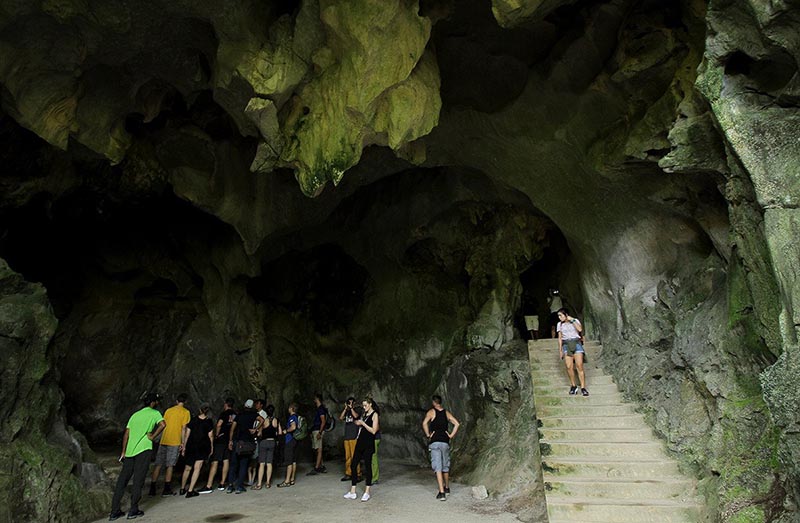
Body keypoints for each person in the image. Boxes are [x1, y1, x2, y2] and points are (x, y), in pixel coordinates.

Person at [108, 393, 165, 521]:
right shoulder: (155, 413)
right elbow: (163, 424)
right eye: (156, 401)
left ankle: (114, 512)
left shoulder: (135, 415)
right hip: (144, 449)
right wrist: (153, 436)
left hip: (129, 451)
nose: (157, 403)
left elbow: (126, 434)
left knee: (122, 481)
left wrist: (123, 451)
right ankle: (133, 510)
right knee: (138, 480)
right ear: (153, 403)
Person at [150, 393, 190, 497]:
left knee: (158, 464)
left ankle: (152, 488)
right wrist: (183, 442)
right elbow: (184, 428)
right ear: (185, 402)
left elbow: (163, 424)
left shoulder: (169, 410)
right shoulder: (185, 412)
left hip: (164, 440)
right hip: (175, 441)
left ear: (177, 401)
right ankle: (166, 488)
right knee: (170, 465)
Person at [422, 395, 460, 501]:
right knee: (445, 466)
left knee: (438, 467)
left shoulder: (431, 412)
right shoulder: (446, 413)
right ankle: (447, 487)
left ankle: (441, 492)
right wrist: (451, 435)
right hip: (445, 442)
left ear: (434, 403)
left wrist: (428, 434)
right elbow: (457, 423)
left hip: (435, 442)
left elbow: (424, 423)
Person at [343, 397, 379, 502]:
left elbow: (373, 431)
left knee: (368, 466)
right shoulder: (364, 414)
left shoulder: (375, 415)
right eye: (363, 405)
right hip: (360, 442)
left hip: (369, 442)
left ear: (370, 404)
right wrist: (359, 423)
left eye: (365, 405)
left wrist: (363, 424)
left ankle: (367, 491)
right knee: (354, 464)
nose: (364, 407)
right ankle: (353, 491)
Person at [180, 404, 214, 497]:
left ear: (200, 410)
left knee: (187, 468)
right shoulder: (209, 422)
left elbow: (187, 433)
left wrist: (184, 446)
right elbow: (210, 436)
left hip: (191, 445)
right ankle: (190, 490)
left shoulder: (193, 420)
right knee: (197, 468)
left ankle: (182, 488)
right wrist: (211, 447)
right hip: (203, 446)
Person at [227, 399, 258, 494]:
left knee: (233, 465)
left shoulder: (239, 415)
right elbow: (262, 419)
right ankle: (239, 486)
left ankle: (230, 486)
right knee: (243, 465)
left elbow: (232, 428)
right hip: (247, 442)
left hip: (237, 442)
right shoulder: (254, 415)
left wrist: (230, 441)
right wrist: (255, 429)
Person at [206, 398, 235, 491]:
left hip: (222, 439)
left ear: (226, 404)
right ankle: (222, 483)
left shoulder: (224, 414)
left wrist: (217, 434)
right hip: (229, 439)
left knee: (216, 460)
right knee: (226, 460)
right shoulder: (235, 414)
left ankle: (209, 485)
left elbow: (219, 424)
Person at [557, 308, 589, 396]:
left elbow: (579, 329)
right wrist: (560, 350)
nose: (559, 317)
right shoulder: (559, 324)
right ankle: (573, 386)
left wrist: (572, 320)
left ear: (566, 315)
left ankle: (583, 387)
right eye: (558, 316)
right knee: (569, 366)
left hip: (576, 343)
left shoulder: (575, 321)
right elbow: (560, 338)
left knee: (579, 366)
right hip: (566, 344)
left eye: (561, 315)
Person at [255, 404, 281, 489]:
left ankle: (259, 484)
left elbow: (259, 433)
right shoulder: (276, 420)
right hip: (272, 442)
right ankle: (268, 483)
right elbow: (280, 432)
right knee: (269, 463)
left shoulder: (264, 420)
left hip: (264, 442)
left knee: (262, 463)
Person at [339, 397, 361, 482]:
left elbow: (356, 416)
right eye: (349, 402)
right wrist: (345, 409)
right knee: (348, 456)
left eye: (352, 402)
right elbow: (341, 418)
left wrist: (351, 408)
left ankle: (358, 474)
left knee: (354, 456)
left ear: (354, 403)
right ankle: (348, 473)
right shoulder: (347, 412)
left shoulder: (358, 410)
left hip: (354, 436)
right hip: (347, 437)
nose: (350, 404)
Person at [277, 403, 299, 488]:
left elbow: (293, 427)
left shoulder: (292, 417)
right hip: (295, 440)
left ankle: (287, 481)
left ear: (292, 408)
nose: (288, 409)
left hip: (290, 440)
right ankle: (292, 479)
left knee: (289, 460)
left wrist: (286, 431)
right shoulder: (297, 417)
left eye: (289, 407)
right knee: (293, 460)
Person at [307, 393, 327, 475]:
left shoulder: (321, 409)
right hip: (316, 429)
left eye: (315, 399)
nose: (314, 400)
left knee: (319, 449)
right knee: (317, 448)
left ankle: (316, 467)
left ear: (317, 399)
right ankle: (321, 465)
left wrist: (320, 432)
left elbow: (323, 421)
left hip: (318, 430)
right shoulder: (319, 409)